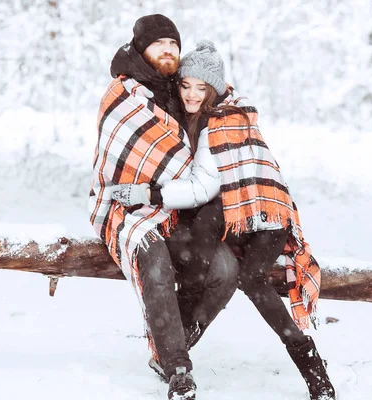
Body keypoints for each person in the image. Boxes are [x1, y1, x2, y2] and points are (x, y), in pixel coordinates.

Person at [113, 41, 336, 400]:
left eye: (201, 88)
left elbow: (203, 186)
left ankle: (312, 370)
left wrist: (151, 195)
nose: (191, 94)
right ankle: (313, 374)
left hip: (267, 216)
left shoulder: (219, 122)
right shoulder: (216, 115)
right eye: (186, 85)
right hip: (247, 214)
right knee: (222, 254)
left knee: (239, 271)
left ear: (214, 89)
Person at [88, 17, 240, 400]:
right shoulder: (125, 93)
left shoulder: (181, 88)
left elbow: (207, 121)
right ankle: (178, 367)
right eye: (160, 43)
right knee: (152, 256)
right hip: (127, 205)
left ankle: (171, 343)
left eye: (174, 42)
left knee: (225, 270)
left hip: (178, 204)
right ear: (141, 48)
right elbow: (125, 154)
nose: (169, 49)